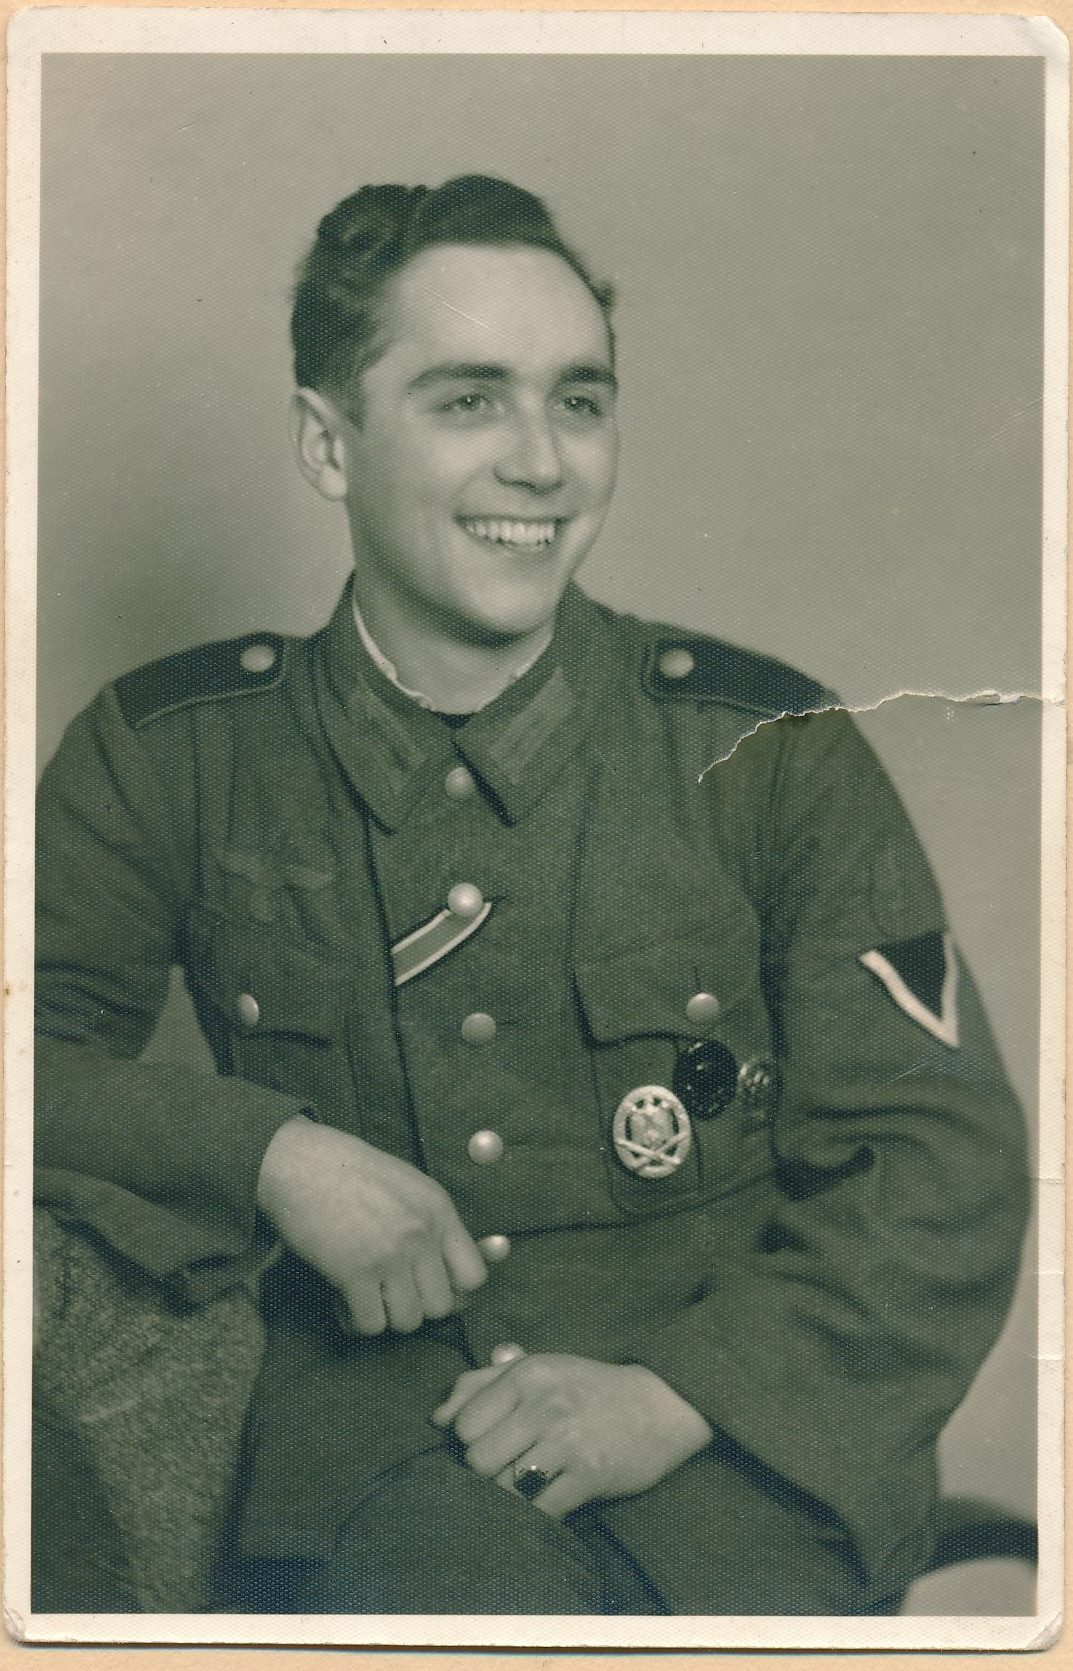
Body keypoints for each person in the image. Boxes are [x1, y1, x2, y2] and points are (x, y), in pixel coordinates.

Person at [34, 175, 1029, 1616]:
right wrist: (268, 1153)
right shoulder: (176, 755)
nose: (541, 463)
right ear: (327, 442)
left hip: (731, 1494)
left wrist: (679, 1395)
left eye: (578, 402)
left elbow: (938, 1162)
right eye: (467, 401)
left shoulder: (766, 749)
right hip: (363, 1497)